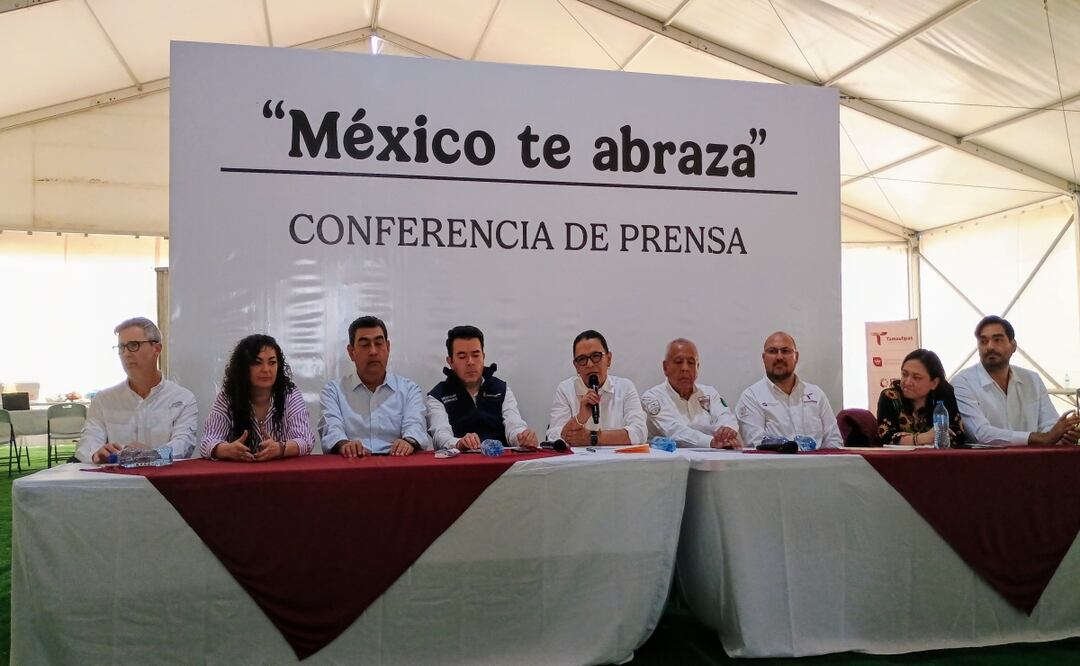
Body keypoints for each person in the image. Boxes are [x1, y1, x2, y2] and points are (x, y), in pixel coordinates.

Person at [76, 317, 198, 463]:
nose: (126, 354)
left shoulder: (182, 399)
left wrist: (153, 454)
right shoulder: (103, 400)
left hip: (163, 483)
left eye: (134, 345)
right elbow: (87, 443)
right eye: (121, 347)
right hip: (114, 482)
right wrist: (96, 453)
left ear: (156, 349)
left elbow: (183, 445)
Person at [953, 315, 1079, 446]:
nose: (990, 347)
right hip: (986, 463)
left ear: (1013, 346)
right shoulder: (963, 382)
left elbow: (1049, 425)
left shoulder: (1032, 379)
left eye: (997, 340)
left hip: (1033, 462)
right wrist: (1041, 437)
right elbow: (981, 433)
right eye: (983, 341)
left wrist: (1063, 435)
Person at [319, 315, 430, 457]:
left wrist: (408, 441)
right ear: (351, 352)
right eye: (365, 345)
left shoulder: (409, 389)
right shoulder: (333, 391)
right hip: (352, 465)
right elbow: (331, 429)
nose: (373, 351)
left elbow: (416, 423)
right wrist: (344, 444)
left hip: (397, 465)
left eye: (379, 343)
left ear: (388, 347)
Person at [201, 334, 315, 461]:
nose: (266, 369)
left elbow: (306, 440)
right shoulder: (228, 396)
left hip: (281, 474)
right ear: (243, 368)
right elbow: (207, 441)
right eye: (257, 363)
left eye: (272, 362)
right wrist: (226, 450)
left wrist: (281, 448)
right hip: (238, 474)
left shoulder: (290, 394)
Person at [427, 325, 538, 451]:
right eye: (462, 357)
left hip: (500, 462)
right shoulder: (437, 395)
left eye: (475, 355)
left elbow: (514, 425)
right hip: (458, 464)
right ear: (450, 361)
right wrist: (459, 443)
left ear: (483, 356)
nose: (470, 362)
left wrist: (522, 437)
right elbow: (440, 436)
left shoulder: (502, 389)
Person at [735, 331, 843, 449]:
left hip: (818, 465)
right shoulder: (751, 397)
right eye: (772, 351)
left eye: (785, 351)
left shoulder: (816, 394)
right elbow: (757, 445)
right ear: (764, 358)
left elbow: (834, 440)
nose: (779, 357)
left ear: (796, 357)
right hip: (775, 466)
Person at [547, 329, 647, 446]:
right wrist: (580, 418)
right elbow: (554, 436)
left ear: (608, 359)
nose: (589, 364)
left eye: (596, 356)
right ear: (576, 367)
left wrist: (592, 438)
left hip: (617, 462)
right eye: (582, 359)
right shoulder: (566, 389)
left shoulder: (625, 387)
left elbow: (640, 433)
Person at [641, 338, 742, 449]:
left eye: (691, 362)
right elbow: (674, 431)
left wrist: (726, 431)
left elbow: (725, 416)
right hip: (669, 463)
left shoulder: (709, 393)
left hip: (712, 461)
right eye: (678, 362)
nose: (685, 368)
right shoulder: (652, 398)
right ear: (665, 368)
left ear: (697, 367)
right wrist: (711, 442)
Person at [876, 348, 965, 446]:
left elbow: (958, 436)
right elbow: (886, 438)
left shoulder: (945, 396)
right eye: (904, 374)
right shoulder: (890, 397)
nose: (907, 382)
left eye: (916, 377)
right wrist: (923, 438)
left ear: (934, 383)